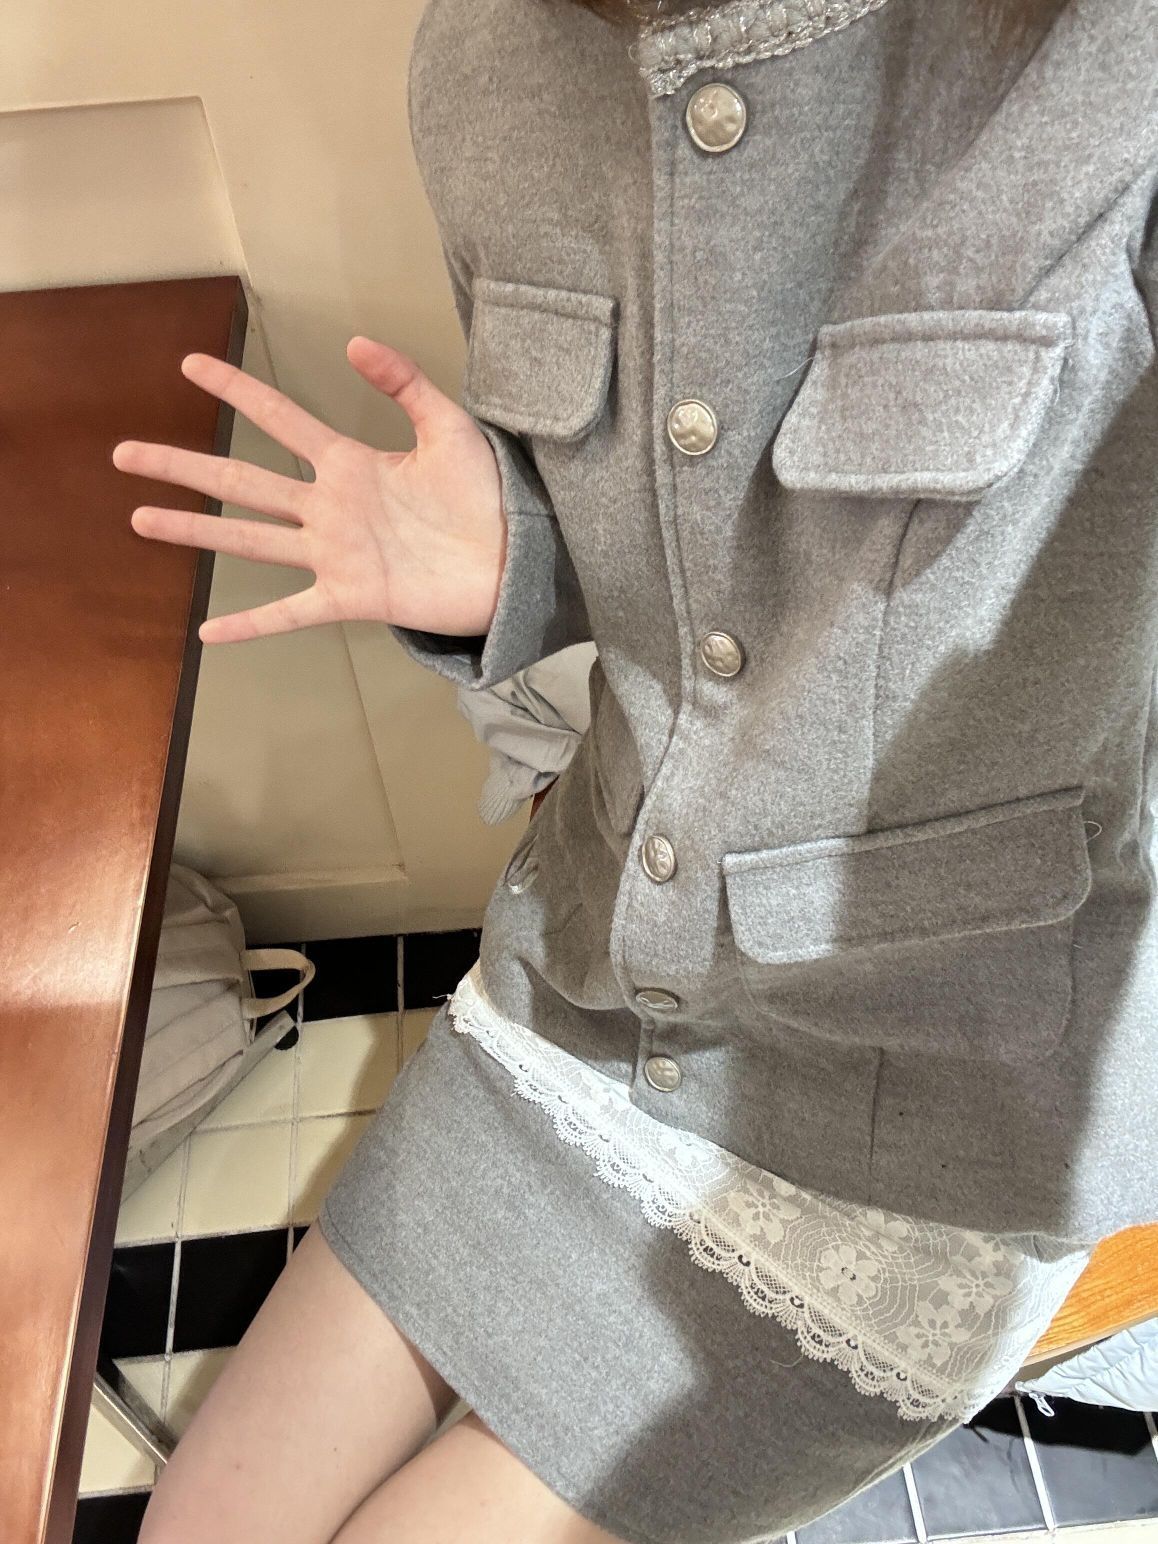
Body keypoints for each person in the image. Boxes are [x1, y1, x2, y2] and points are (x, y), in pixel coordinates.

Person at [111, 0, 1158, 1539]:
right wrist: (510, 573)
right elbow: (696, 583)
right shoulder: (487, 62)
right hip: (586, 1000)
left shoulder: (1103, 59)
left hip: (928, 1120)